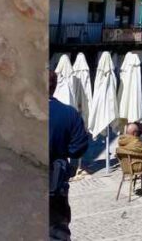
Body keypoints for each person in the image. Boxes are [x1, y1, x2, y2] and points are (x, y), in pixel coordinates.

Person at [49, 70, 91, 241]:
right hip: (55, 184)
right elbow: (78, 147)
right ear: (55, 86)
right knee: (56, 232)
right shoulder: (69, 113)